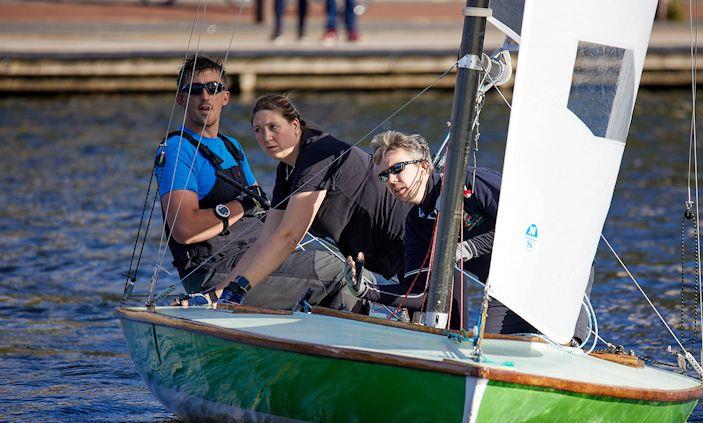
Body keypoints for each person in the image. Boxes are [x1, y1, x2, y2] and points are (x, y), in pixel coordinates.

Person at [344, 130, 593, 341]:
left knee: (564, 343)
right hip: (510, 291)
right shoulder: (416, 224)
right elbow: (420, 293)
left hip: (561, 267)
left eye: (397, 168)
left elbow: (530, 226)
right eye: (384, 175)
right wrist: (367, 290)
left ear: (424, 166)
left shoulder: (473, 182)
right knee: (491, 349)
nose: (392, 180)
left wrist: (469, 248)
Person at [160, 56, 353, 310]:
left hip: (254, 256)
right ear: (182, 99)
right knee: (338, 274)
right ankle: (343, 347)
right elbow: (184, 229)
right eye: (195, 90)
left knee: (353, 267)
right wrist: (239, 207)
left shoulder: (232, 146)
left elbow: (260, 208)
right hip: (215, 269)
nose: (205, 97)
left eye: (214, 88)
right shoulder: (177, 149)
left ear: (225, 97)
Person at [191, 94, 410, 307]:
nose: (265, 137)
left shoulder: (317, 153)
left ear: (295, 125)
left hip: (412, 243)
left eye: (273, 127)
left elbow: (290, 236)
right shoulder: (286, 171)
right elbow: (266, 240)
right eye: (258, 130)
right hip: (395, 259)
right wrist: (217, 295)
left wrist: (240, 289)